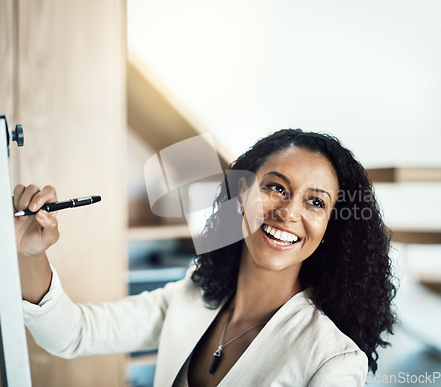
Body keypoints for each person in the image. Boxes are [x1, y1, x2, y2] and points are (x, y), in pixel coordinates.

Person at [15, 129, 396, 386]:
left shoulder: (333, 360)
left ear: (332, 227)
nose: (289, 212)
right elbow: (73, 334)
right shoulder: (193, 292)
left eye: (315, 201)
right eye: (276, 187)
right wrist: (31, 253)